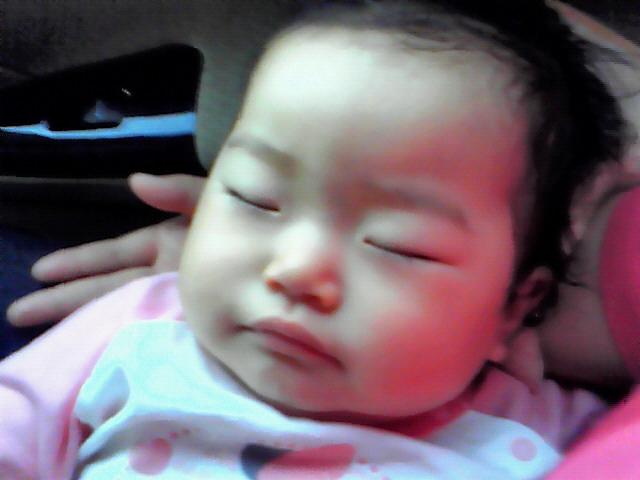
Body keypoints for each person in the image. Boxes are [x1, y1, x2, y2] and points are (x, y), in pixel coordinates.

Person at [0, 1, 628, 478]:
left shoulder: (550, 432)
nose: (298, 269)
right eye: (254, 198)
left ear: (516, 305)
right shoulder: (135, 332)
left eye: (399, 245)